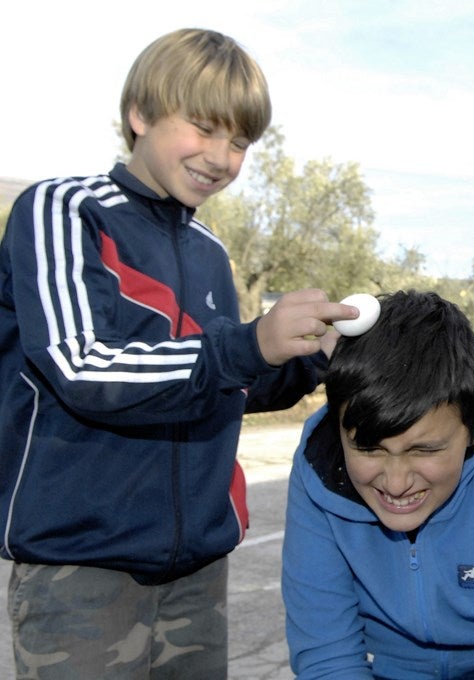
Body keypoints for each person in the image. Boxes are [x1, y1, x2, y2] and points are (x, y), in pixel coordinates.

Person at [0, 28, 355, 679]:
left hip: (197, 571)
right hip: (83, 568)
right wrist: (248, 343)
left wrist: (312, 356)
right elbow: (82, 366)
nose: (221, 157)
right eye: (204, 128)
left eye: (240, 142)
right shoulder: (64, 211)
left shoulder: (210, 251)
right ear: (140, 114)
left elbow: (227, 384)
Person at [282, 290, 474, 679]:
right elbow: (327, 657)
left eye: (424, 450)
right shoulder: (318, 476)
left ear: (473, 429)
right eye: (369, 449)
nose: (396, 484)